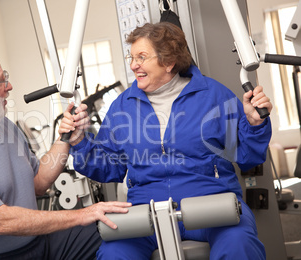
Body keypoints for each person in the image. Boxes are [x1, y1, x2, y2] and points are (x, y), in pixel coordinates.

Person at [60, 22, 272, 259]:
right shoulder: (124, 105)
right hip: (146, 211)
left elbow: (248, 157)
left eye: (142, 57)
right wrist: (79, 142)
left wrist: (255, 125)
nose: (133, 65)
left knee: (238, 244)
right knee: (114, 254)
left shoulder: (214, 95)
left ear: (169, 62)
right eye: (132, 57)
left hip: (211, 203)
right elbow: (110, 167)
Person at [0, 49, 131, 260]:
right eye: (0, 81)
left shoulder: (3, 125)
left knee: (113, 231)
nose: (9, 86)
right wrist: (81, 215)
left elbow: (38, 181)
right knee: (92, 221)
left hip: (38, 242)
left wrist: (67, 137)